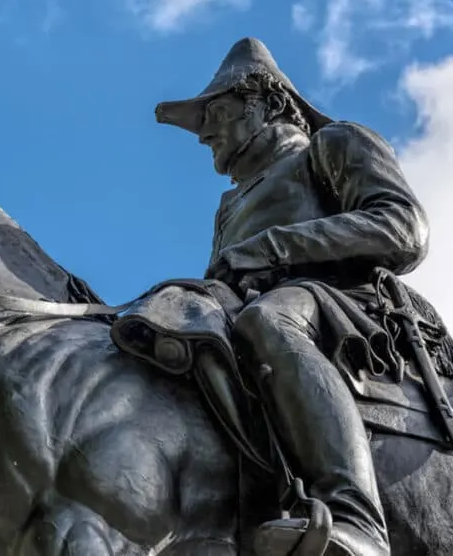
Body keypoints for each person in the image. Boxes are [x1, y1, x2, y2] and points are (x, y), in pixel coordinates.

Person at [154, 38, 435, 556]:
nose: (204, 134)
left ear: (270, 102)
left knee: (268, 322)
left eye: (216, 111)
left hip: (343, 307)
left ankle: (356, 520)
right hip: (249, 316)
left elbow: (402, 226)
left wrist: (276, 245)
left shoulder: (332, 146)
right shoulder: (228, 207)